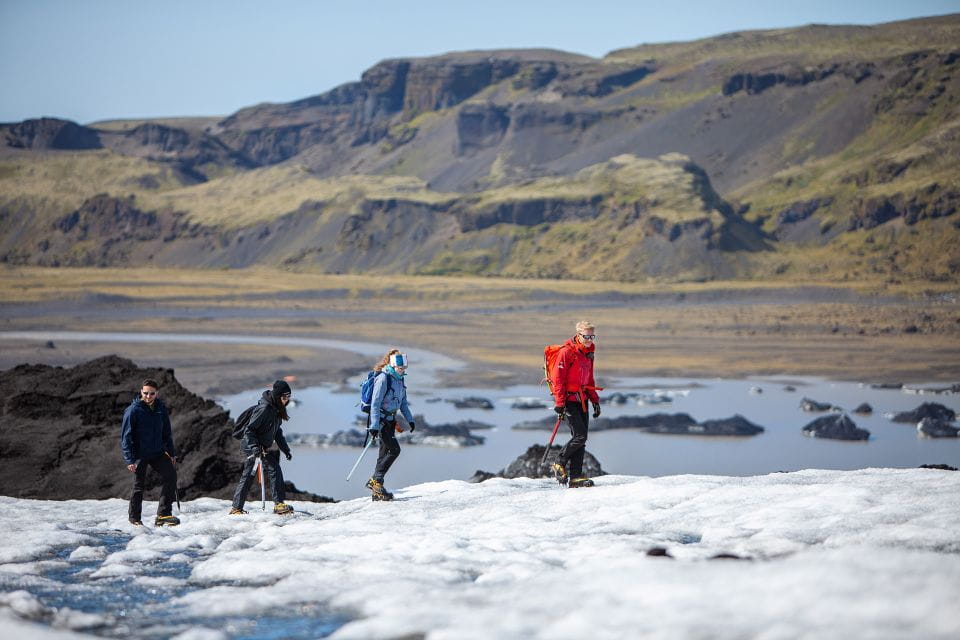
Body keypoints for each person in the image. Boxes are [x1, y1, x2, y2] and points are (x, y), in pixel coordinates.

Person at [229, 380, 295, 515]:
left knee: (251, 474)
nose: (286, 400)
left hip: (259, 446)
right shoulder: (264, 409)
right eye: (284, 397)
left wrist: (285, 449)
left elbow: (277, 432)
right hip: (251, 445)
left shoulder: (276, 409)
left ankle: (237, 508)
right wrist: (255, 447)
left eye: (288, 397)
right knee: (272, 469)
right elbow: (249, 430)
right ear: (277, 396)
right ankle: (278, 504)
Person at [120, 378, 180, 526]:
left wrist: (171, 454)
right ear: (141, 392)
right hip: (139, 454)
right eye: (145, 393)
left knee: (171, 476)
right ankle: (134, 519)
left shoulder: (160, 408)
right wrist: (129, 460)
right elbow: (125, 437)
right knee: (138, 486)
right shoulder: (133, 410)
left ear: (156, 393)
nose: (148, 396)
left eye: (152, 394)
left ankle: (163, 515)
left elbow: (167, 433)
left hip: (157, 452)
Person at [549, 320, 602, 488]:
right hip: (569, 400)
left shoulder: (589, 352)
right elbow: (558, 380)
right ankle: (559, 461)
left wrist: (594, 399)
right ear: (578, 334)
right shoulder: (566, 352)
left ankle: (575, 477)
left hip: (582, 400)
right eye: (586, 336)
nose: (589, 339)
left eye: (592, 336)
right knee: (580, 436)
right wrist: (560, 403)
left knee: (581, 439)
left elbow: (589, 378)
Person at [366, 350, 415, 501]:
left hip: (391, 420)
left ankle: (377, 491)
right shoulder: (383, 378)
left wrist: (410, 419)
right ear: (393, 365)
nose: (402, 370)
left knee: (383, 454)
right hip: (381, 421)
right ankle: (375, 480)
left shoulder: (400, 379)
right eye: (400, 368)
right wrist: (374, 426)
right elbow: (375, 403)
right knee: (394, 450)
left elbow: (403, 403)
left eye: (404, 368)